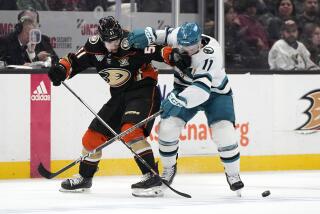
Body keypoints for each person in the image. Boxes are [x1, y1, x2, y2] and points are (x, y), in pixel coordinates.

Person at [47, 16, 191, 197]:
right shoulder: (94, 47)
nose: (114, 44)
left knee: (130, 131)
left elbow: (158, 51)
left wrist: (174, 55)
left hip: (143, 92)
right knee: (91, 139)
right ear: (101, 38)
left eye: (116, 39)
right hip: (119, 98)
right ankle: (85, 178)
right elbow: (74, 60)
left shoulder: (132, 41)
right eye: (109, 41)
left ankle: (151, 176)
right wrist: (61, 69)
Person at [127, 22, 245, 196]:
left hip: (215, 93)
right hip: (183, 88)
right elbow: (163, 35)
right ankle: (168, 169)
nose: (185, 50)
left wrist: (177, 99)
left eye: (190, 47)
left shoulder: (211, 54)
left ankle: (233, 173)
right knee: (167, 128)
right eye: (182, 46)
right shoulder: (179, 37)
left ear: (199, 42)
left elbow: (201, 91)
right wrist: (148, 34)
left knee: (224, 133)